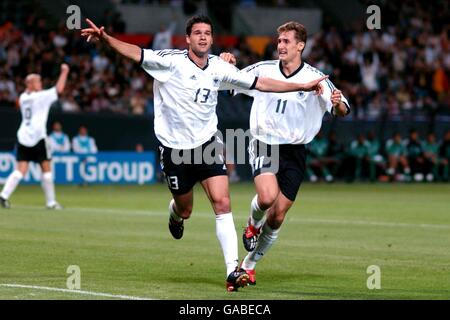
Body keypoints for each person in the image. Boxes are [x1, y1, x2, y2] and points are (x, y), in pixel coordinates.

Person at [81, 15, 327, 292]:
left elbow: (262, 83)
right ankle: (175, 213)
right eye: (197, 33)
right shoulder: (169, 61)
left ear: (211, 38)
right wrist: (105, 39)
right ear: (187, 39)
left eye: (207, 33)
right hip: (174, 150)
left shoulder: (219, 68)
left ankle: (233, 270)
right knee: (186, 209)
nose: (202, 37)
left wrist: (301, 85)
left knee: (222, 204)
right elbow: (136, 53)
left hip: (207, 144)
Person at [220, 21, 350, 285]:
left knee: (278, 215)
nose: (280, 45)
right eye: (279, 41)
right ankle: (252, 224)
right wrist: (225, 64)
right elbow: (229, 82)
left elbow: (342, 108)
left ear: (300, 45)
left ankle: (250, 265)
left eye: (287, 41)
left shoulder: (316, 78)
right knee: (266, 197)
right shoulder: (263, 69)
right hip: (264, 141)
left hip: (296, 150)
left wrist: (337, 105)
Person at [0, 64, 69, 209]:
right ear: (30, 84)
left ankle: (3, 196)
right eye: (37, 81)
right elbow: (59, 89)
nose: (40, 83)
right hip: (38, 137)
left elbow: (28, 94)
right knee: (47, 170)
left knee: (20, 170)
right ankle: (51, 203)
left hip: (23, 137)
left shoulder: (23, 97)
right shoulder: (41, 97)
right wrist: (64, 72)